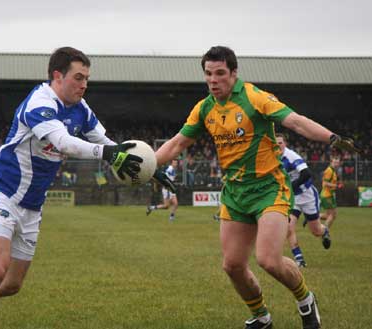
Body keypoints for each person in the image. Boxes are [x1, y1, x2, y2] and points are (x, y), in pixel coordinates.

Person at [0, 46, 173, 329]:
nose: (84, 85)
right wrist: (108, 154)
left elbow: (108, 144)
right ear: (58, 76)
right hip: (3, 193)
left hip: (32, 206)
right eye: (78, 78)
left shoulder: (81, 110)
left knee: (11, 284)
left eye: (86, 79)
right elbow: (64, 143)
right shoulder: (39, 102)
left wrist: (150, 169)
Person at [154, 46, 361, 329]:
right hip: (235, 194)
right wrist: (147, 166)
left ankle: (305, 300)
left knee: (268, 260)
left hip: (269, 189)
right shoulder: (204, 109)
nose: (213, 80)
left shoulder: (255, 97)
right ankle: (262, 316)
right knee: (233, 265)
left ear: (234, 73)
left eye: (220, 74)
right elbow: (177, 143)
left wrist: (333, 137)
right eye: (208, 74)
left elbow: (296, 122)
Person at [276, 133, 331, 268]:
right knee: (288, 228)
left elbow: (306, 174)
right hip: (293, 198)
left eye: (280, 143)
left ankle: (325, 231)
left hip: (307, 196)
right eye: (275, 143)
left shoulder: (291, 156)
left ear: (285, 144)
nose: (278, 146)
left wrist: (291, 186)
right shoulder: (273, 157)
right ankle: (300, 260)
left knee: (316, 231)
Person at [319, 156, 342, 228]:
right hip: (327, 195)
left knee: (332, 215)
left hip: (330, 195)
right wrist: (336, 185)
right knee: (331, 215)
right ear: (331, 162)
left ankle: (312, 217)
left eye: (338, 162)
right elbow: (325, 183)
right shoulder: (329, 170)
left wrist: (337, 184)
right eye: (335, 162)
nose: (336, 164)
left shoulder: (333, 170)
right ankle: (325, 231)